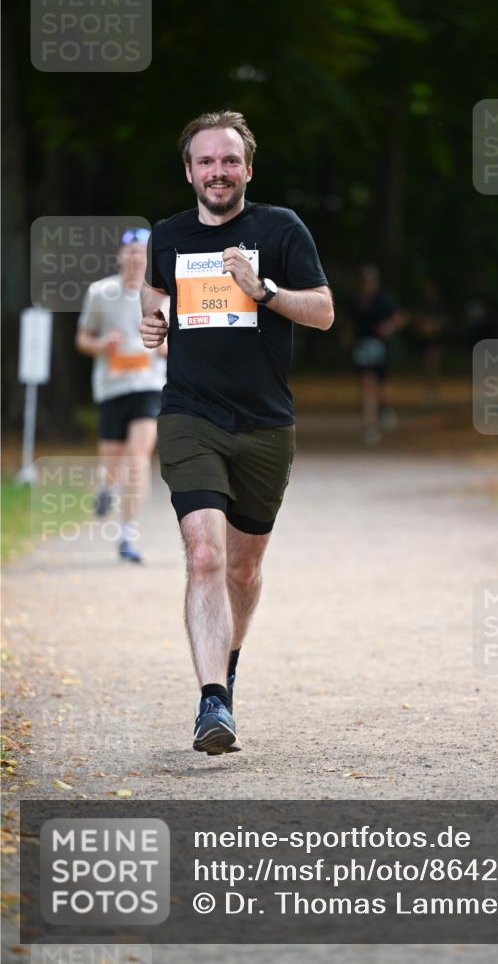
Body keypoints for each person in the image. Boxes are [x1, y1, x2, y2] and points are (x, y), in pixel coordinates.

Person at [140, 110, 333, 755]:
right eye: (205, 162)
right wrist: (154, 323)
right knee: (204, 555)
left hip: (264, 424)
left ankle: (229, 664)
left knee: (245, 571)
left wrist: (265, 289)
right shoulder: (167, 236)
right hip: (190, 415)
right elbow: (152, 292)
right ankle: (211, 703)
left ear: (247, 169)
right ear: (189, 170)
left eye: (228, 161)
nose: (217, 172)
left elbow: (325, 313)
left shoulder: (280, 229)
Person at [75, 229, 167, 563]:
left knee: (138, 457)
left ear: (148, 258)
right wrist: (102, 345)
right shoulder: (100, 292)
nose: (134, 258)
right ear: (119, 257)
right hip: (112, 386)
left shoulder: (162, 296)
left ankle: (127, 534)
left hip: (148, 385)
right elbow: (83, 338)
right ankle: (106, 488)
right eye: (128, 252)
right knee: (112, 463)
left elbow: (172, 348)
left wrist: (160, 346)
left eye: (140, 252)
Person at [349, 264, 407, 445]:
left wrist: (389, 327)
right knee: (367, 384)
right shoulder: (355, 299)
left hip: (381, 346)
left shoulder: (384, 298)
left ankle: (385, 408)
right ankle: (369, 425)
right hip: (362, 347)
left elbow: (401, 316)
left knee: (382, 384)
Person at [412, 278, 448, 405]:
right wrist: (424, 327)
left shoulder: (439, 305)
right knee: (426, 364)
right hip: (424, 340)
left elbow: (444, 321)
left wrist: (432, 327)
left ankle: (434, 388)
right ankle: (428, 388)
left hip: (436, 340)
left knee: (434, 363)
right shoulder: (421, 304)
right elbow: (416, 320)